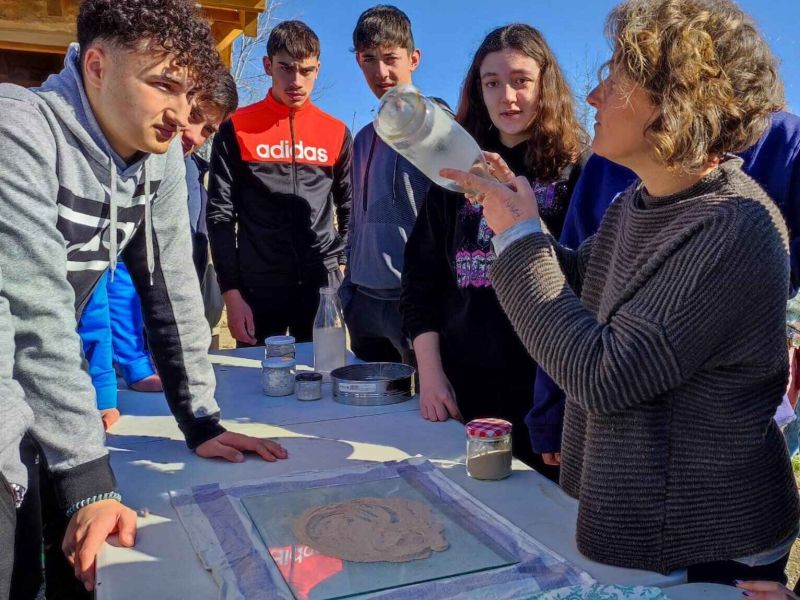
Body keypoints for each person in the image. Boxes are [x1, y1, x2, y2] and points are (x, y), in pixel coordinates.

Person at [442, 0, 800, 583]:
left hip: (709, 546)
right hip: (650, 528)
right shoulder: (640, 201)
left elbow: (605, 376)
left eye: (615, 79)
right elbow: (586, 286)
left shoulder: (735, 226)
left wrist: (519, 241)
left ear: (675, 100)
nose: (592, 97)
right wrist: (520, 218)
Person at [0, 1, 286, 596]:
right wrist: (86, 476)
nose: (180, 113)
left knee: (83, 571)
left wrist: (200, 419)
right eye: (162, 86)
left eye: (189, 93)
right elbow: (32, 311)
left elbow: (174, 290)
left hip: (46, 397)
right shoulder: (18, 128)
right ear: (97, 67)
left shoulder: (157, 158)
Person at [530, 111, 800, 468]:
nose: (595, 95)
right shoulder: (608, 164)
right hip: (611, 420)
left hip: (729, 428)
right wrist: (551, 412)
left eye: (619, 76)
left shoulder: (780, 142)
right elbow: (572, 284)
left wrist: (790, 330)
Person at [399, 24, 587, 477]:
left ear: (546, 85)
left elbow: (586, 279)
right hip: (464, 392)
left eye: (521, 80)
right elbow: (420, 282)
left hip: (545, 398)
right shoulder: (455, 176)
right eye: (492, 83)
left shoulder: (576, 172)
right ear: (477, 91)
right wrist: (430, 372)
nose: (508, 96)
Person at [208, 20, 353, 347]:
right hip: (257, 288)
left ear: (318, 69)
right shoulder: (237, 128)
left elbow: (350, 207)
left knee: (320, 383)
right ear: (267, 65)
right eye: (286, 68)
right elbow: (219, 214)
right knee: (255, 388)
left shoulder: (337, 132)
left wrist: (342, 266)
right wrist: (231, 292)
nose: (296, 80)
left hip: (321, 284)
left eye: (306, 70)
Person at [340, 4, 438, 364]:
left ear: (413, 58)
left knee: (423, 415)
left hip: (412, 305)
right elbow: (354, 217)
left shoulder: (435, 126)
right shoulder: (363, 138)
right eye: (368, 59)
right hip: (362, 302)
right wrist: (347, 289)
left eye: (390, 57)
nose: (380, 71)